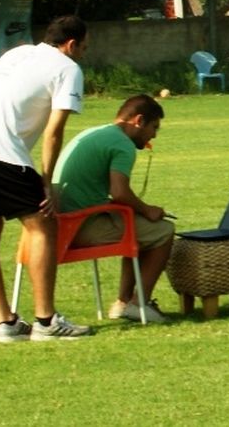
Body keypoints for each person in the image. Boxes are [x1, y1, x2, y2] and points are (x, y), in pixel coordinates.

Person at [0, 15, 93, 342]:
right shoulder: (68, 68)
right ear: (71, 44)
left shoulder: (16, 53)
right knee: (43, 225)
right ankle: (46, 322)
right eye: (84, 47)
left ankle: (7, 324)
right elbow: (54, 132)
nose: (84, 54)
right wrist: (46, 180)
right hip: (1, 152)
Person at [53, 94, 174, 323]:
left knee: (139, 230)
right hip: (79, 226)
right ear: (138, 121)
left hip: (60, 223)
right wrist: (147, 209)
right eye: (154, 127)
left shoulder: (95, 132)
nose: (154, 135)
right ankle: (139, 303)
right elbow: (119, 192)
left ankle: (123, 302)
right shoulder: (122, 144)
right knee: (163, 231)